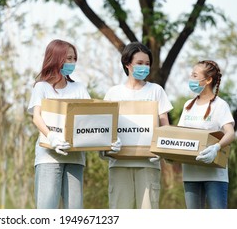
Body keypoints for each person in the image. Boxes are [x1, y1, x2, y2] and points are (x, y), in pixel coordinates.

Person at [102, 42, 173, 209]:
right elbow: (104, 126)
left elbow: (165, 123)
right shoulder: (114, 93)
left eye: (147, 64)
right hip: (119, 164)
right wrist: (108, 146)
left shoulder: (156, 91)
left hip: (148, 163)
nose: (144, 67)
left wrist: (161, 149)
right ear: (128, 64)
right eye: (139, 63)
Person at [27, 39, 91, 209]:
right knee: (47, 208)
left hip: (75, 156)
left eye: (73, 59)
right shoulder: (42, 87)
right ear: (55, 58)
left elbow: (91, 117)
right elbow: (37, 117)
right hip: (48, 155)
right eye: (67, 58)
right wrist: (51, 136)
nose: (71, 63)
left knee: (74, 209)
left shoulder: (79, 88)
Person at [177, 60, 235, 209]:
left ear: (208, 80)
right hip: (190, 174)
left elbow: (230, 133)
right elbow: (178, 135)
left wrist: (216, 147)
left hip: (215, 176)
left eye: (195, 75)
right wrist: (168, 154)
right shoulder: (188, 106)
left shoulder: (220, 105)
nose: (191, 79)